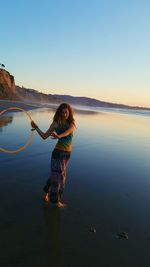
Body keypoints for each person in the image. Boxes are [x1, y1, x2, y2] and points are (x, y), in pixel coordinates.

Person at [31, 103, 76, 208]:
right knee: (59, 177)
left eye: (66, 112)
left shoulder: (71, 123)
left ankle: (46, 192)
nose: (64, 114)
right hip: (58, 154)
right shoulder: (55, 123)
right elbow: (44, 136)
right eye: (62, 112)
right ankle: (55, 201)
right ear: (59, 113)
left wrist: (59, 136)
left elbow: (69, 132)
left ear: (69, 113)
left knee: (57, 176)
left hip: (67, 154)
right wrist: (36, 127)